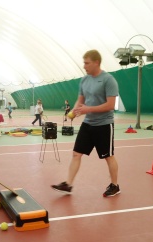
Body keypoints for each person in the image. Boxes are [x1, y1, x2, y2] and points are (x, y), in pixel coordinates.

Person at [51, 49, 120, 198]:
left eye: (87, 63)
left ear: (96, 63)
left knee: (109, 156)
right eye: (84, 63)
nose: (84, 66)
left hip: (104, 125)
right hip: (88, 124)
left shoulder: (109, 80)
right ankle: (68, 185)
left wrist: (88, 109)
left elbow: (110, 105)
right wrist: (75, 111)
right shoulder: (84, 80)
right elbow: (80, 100)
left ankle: (115, 185)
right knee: (76, 154)